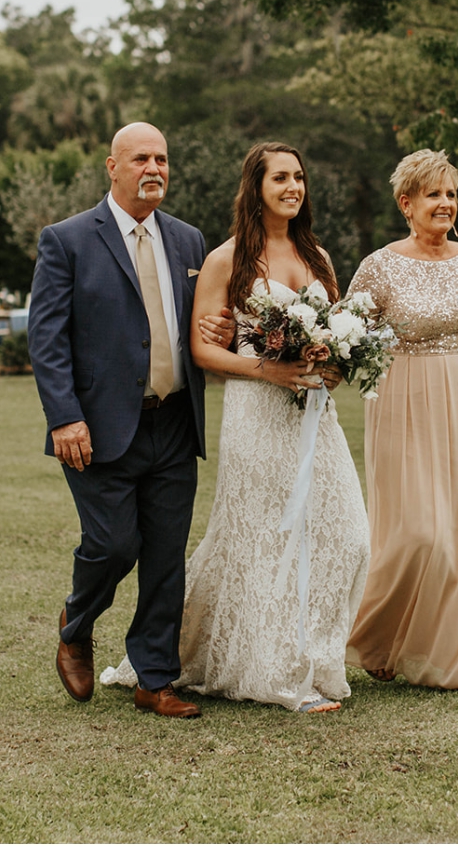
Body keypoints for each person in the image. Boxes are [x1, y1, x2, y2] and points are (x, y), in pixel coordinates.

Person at [100, 143, 370, 713]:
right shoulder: (227, 259)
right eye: (281, 178)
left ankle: (314, 657)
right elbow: (200, 348)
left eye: (299, 177)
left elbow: (337, 331)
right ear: (256, 186)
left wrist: (337, 364)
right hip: (256, 412)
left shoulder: (318, 257)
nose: (293, 187)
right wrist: (269, 369)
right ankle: (275, 673)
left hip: (316, 420)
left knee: (347, 535)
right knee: (263, 539)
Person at [28, 122, 233, 720]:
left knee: (166, 556)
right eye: (141, 157)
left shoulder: (190, 242)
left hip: (173, 421)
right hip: (97, 427)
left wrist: (221, 331)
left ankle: (155, 679)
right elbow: (47, 340)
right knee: (114, 544)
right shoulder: (66, 240)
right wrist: (65, 417)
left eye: (163, 158)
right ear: (111, 167)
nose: (155, 168)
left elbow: (204, 323)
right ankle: (77, 621)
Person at [343, 148, 458, 695]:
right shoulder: (379, 266)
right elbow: (345, 339)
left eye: (451, 194)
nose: (445, 203)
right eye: (433, 194)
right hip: (405, 406)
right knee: (419, 535)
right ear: (407, 203)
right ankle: (375, 637)